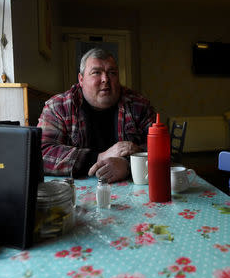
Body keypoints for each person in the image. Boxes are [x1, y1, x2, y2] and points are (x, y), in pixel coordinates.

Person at [37, 48, 156, 182]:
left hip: (131, 186)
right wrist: (99, 158)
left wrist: (127, 164)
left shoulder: (139, 105)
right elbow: (41, 153)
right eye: (96, 73)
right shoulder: (58, 107)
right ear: (81, 80)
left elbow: (160, 150)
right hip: (74, 192)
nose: (105, 79)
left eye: (112, 73)